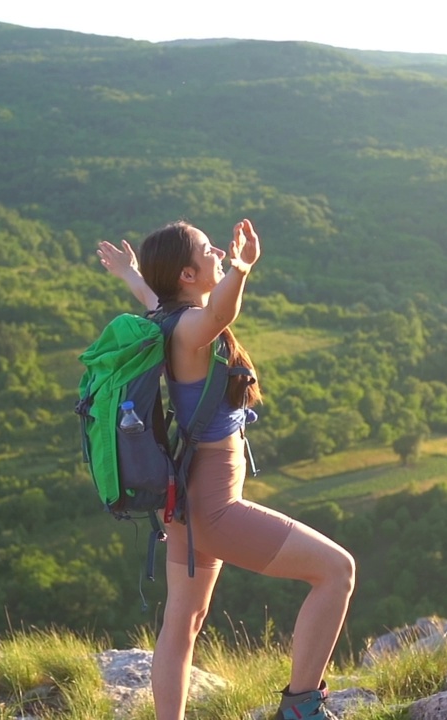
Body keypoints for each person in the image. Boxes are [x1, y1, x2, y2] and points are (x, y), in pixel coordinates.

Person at [97, 219, 356, 720]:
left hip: (184, 507)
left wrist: (131, 275)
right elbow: (220, 311)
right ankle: (302, 707)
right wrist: (241, 269)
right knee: (336, 571)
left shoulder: (168, 318)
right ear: (190, 274)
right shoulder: (195, 328)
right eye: (207, 250)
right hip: (213, 511)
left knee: (182, 624)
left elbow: (156, 298)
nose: (217, 250)